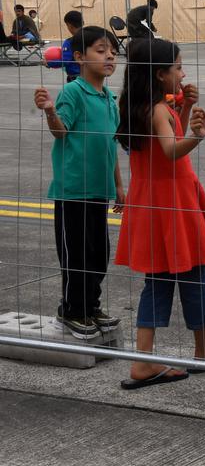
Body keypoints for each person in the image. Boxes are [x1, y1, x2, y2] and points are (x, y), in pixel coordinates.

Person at [114, 38, 205, 390]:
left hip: (150, 199)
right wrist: (199, 136)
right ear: (159, 74)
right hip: (174, 199)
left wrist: (185, 110)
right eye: (178, 67)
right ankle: (204, 349)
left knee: (157, 281)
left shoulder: (137, 104)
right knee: (194, 274)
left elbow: (166, 139)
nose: (183, 73)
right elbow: (172, 150)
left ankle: (143, 360)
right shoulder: (156, 108)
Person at [33, 26, 124, 340]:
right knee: (76, 254)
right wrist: (49, 112)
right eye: (101, 50)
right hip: (73, 189)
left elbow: (110, 146)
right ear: (79, 57)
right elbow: (61, 131)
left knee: (99, 253)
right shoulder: (74, 91)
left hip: (99, 189)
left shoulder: (109, 98)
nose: (109, 55)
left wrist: (119, 187)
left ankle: (90, 305)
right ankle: (71, 311)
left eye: (112, 50)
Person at [46, 10, 83, 83]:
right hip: (91, 76)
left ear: (69, 25)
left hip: (75, 78)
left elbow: (66, 61)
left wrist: (49, 63)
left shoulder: (69, 42)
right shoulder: (91, 38)